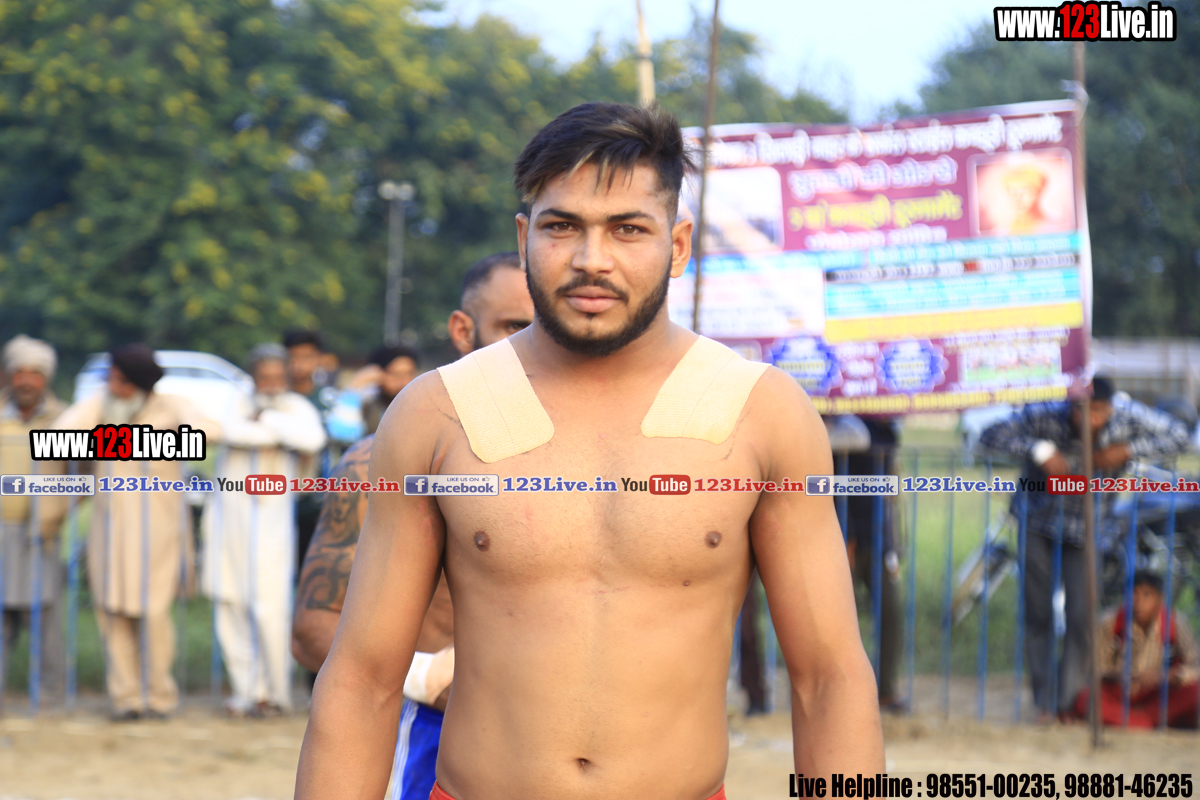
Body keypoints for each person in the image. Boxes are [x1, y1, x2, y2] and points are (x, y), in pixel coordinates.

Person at [295, 102, 883, 800]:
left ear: (678, 245)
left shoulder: (760, 412)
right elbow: (362, 677)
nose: (591, 260)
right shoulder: (438, 412)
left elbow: (828, 677)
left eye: (628, 229)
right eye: (562, 226)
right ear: (524, 239)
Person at [292, 251, 533, 800]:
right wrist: (430, 678)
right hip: (437, 738)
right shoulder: (383, 460)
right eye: (513, 326)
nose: (531, 344)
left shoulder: (603, 469)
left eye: (543, 325)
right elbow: (312, 629)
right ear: (463, 330)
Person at [979, 376, 1190, 721]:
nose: (1089, 419)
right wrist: (1039, 449)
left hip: (1089, 529)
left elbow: (1180, 434)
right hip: (1037, 523)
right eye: (1082, 411)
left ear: (1110, 409)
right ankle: (1044, 702)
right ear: (1071, 406)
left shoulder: (1128, 417)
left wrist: (1129, 449)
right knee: (1038, 614)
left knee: (1081, 617)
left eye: (1098, 411)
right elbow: (988, 434)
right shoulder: (1046, 414)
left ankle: (1069, 702)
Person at [54, 344, 219, 720]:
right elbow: (61, 435)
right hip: (109, 529)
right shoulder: (101, 406)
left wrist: (140, 441)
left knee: (153, 614)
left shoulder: (171, 405)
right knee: (111, 613)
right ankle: (125, 699)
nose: (113, 386)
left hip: (158, 530)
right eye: (110, 378)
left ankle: (159, 697)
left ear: (140, 384)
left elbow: (211, 431)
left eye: (121, 380)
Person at [203, 343, 326, 717]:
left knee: (270, 608)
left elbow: (311, 440)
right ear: (253, 377)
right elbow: (222, 430)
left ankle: (274, 693)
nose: (271, 384)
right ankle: (245, 692)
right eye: (264, 377)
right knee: (230, 602)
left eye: (277, 377)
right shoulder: (235, 401)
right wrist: (268, 431)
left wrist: (267, 422)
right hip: (228, 519)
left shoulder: (297, 407)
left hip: (272, 523)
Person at [0, 335, 68, 703]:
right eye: (20, 372)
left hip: (43, 532)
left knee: (45, 615)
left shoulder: (64, 419)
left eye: (35, 373)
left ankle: (51, 697)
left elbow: (86, 473)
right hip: (1, 531)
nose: (27, 381)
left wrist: (59, 507)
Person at [1071, 570, 1199, 728]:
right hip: (1119, 691)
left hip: (1159, 693)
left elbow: (1195, 666)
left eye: (1147, 595)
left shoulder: (1175, 624)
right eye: (1133, 594)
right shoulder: (1110, 622)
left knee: (1195, 693)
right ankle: (1145, 721)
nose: (1138, 602)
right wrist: (1121, 675)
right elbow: (1096, 668)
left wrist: (1166, 675)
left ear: (1159, 599)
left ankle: (1136, 720)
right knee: (1086, 699)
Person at [844, 417, 904, 713]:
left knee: (892, 613)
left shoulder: (887, 432)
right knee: (842, 620)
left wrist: (894, 545)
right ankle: (844, 694)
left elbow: (892, 494)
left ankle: (886, 691)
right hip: (844, 538)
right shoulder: (842, 427)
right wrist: (846, 536)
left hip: (880, 539)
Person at [345, 345, 421, 436]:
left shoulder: (422, 408)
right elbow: (343, 433)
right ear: (378, 374)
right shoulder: (367, 405)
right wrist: (356, 385)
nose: (404, 382)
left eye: (409, 374)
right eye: (396, 374)